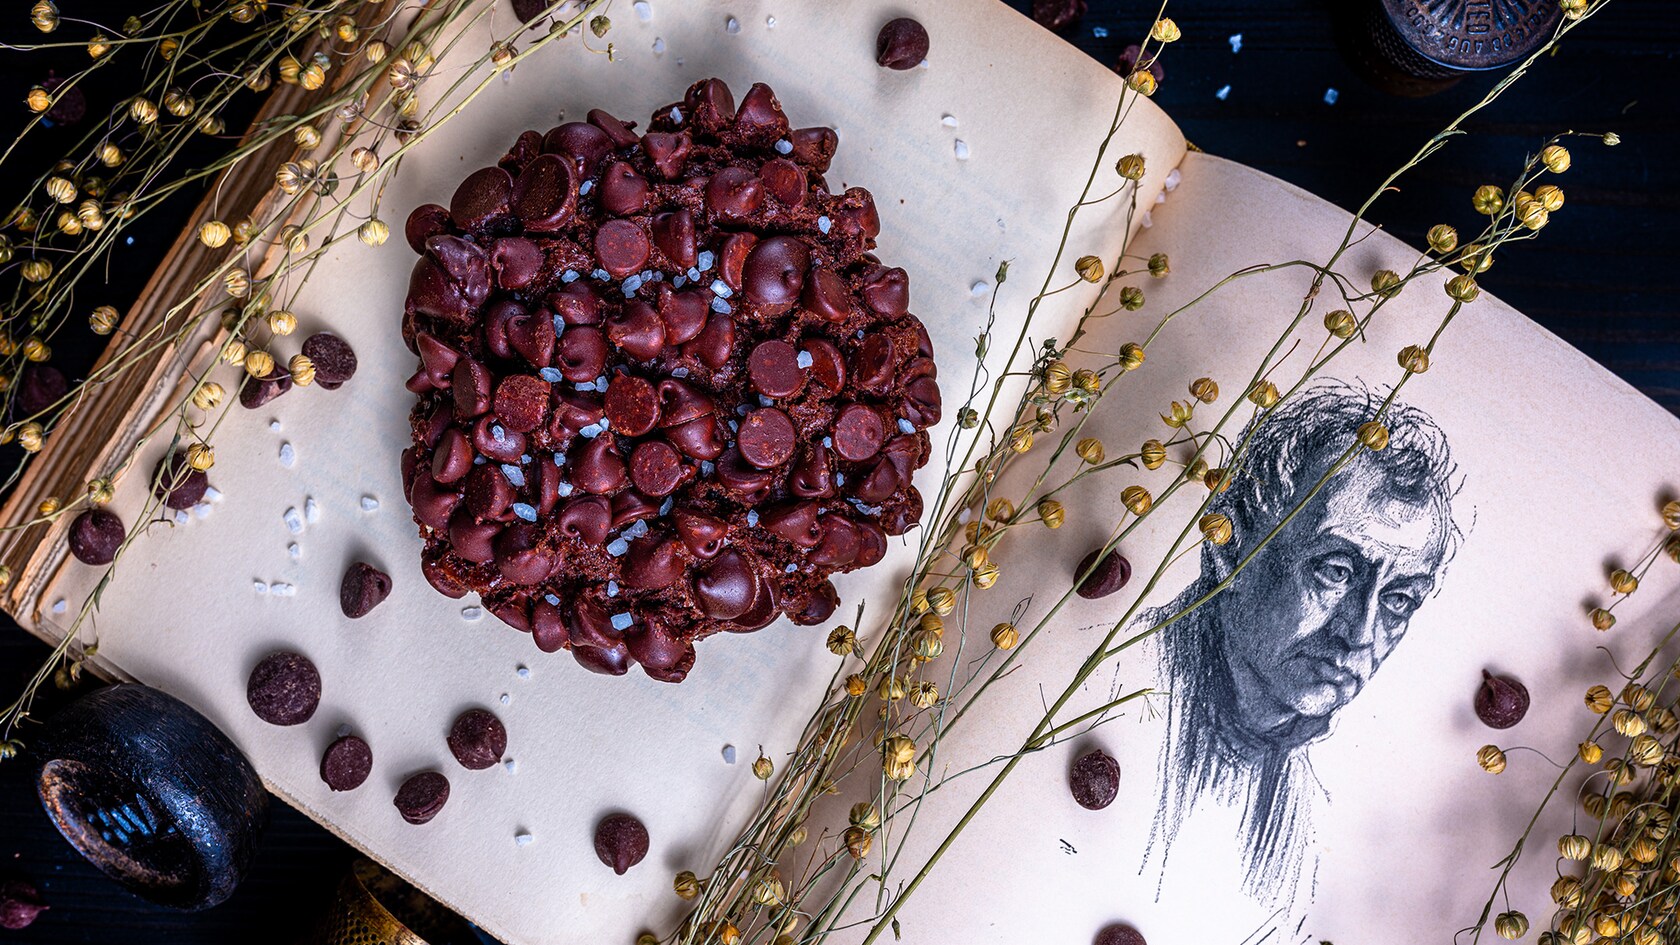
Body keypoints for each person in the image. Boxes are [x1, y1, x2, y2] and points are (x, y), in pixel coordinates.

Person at [1142, 380, 1460, 903]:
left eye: (1399, 600)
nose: (1359, 634)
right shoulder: (1113, 687)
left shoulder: (1325, 825)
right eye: (1336, 571)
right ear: (1230, 544)